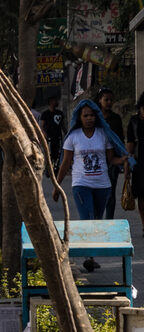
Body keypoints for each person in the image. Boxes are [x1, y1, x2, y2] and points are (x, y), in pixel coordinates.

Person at [56, 99, 125, 271]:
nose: (89, 118)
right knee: (86, 219)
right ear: (79, 117)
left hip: (103, 185)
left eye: (92, 115)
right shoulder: (73, 137)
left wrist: (124, 159)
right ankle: (88, 257)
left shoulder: (103, 135)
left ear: (97, 116)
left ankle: (91, 256)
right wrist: (57, 186)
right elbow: (65, 163)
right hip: (81, 184)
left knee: (96, 221)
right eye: (85, 115)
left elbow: (111, 160)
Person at [98, 87, 124, 219]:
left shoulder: (116, 119)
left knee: (110, 194)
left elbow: (120, 140)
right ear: (100, 100)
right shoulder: (94, 118)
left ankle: (109, 220)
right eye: (106, 99)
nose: (108, 102)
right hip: (97, 160)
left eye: (110, 100)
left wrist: (122, 160)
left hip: (112, 161)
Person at [38, 95, 65, 162]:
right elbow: (41, 126)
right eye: (55, 100)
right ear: (51, 102)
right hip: (49, 138)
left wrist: (67, 134)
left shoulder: (60, 113)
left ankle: (57, 168)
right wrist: (43, 133)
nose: (57, 102)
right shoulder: (45, 114)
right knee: (49, 154)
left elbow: (63, 125)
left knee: (58, 154)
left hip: (58, 137)